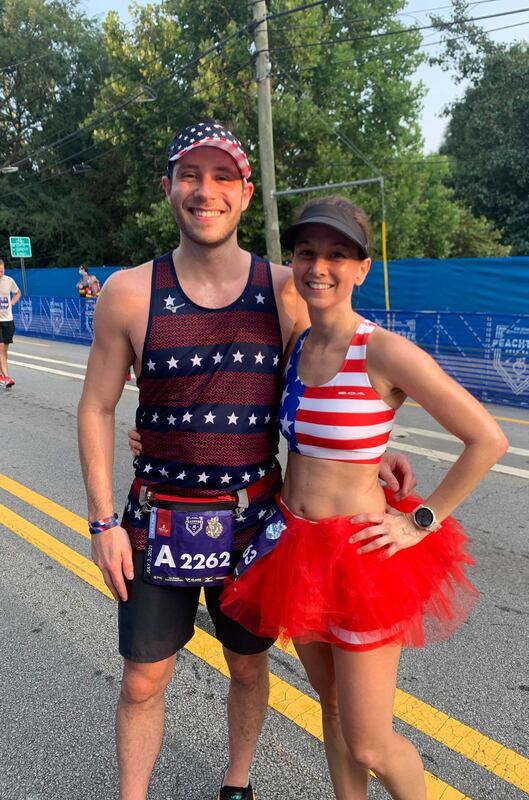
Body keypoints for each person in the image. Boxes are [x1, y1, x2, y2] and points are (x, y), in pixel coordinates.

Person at [77, 119, 414, 800]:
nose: (206, 191)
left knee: (249, 666)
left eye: (222, 176)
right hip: (159, 519)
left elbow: (326, 376)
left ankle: (237, 784)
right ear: (167, 186)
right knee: (144, 678)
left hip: (255, 523)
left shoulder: (288, 288)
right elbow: (94, 407)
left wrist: (367, 452)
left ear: (245, 191)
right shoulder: (129, 292)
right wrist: (103, 520)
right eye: (191, 175)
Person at [220, 195, 510, 800]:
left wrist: (421, 522)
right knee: (329, 708)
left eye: (336, 255)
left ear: (360, 268)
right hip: (295, 550)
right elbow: (316, 436)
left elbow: (487, 438)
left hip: (360, 558)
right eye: (306, 253)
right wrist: (372, 455)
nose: (318, 267)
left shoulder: (381, 350)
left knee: (371, 741)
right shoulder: (298, 345)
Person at [0, 258, 22, 388]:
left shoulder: (9, 281)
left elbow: (18, 292)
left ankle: (1, 374)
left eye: (2, 268)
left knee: (5, 351)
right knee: (1, 349)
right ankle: (7, 377)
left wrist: (12, 303)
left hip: (8, 320)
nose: (1, 270)